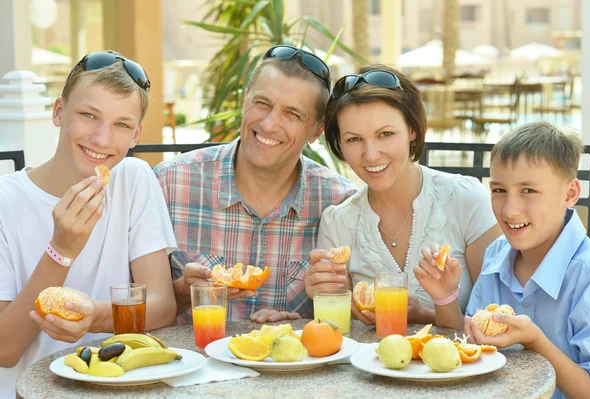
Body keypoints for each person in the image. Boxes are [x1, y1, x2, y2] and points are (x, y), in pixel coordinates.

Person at [0, 51, 178, 398]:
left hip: (117, 388)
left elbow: (162, 307)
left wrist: (96, 317)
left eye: (121, 124)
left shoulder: (133, 179)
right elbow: (5, 349)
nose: (101, 138)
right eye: (88, 115)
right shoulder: (5, 201)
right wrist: (62, 250)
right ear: (58, 111)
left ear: (136, 134)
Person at [154, 45, 356, 324]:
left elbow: (359, 324)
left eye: (292, 114)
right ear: (245, 100)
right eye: (262, 103)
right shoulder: (168, 184)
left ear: (317, 130)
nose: (270, 124)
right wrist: (181, 294)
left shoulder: (342, 202)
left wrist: (301, 327)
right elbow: (128, 302)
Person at [416, 121, 590, 398]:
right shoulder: (496, 253)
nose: (510, 210)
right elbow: (470, 339)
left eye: (528, 191)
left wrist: (534, 340)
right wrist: (444, 296)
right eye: (499, 190)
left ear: (570, 193)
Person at [306, 65, 501, 325]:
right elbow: (333, 331)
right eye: (354, 139)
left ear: (412, 130)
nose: (371, 154)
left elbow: (499, 319)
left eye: (385, 134)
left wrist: (423, 315)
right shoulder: (338, 222)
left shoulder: (466, 199)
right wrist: (326, 295)